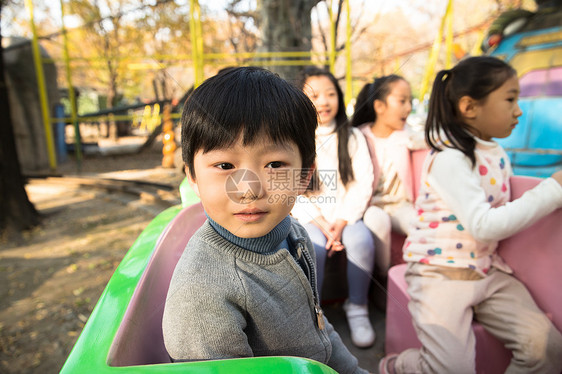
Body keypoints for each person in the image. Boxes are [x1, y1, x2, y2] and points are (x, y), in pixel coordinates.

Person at [162, 67, 368, 374]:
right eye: (224, 164)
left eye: (274, 164)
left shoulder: (295, 234)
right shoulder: (202, 295)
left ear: (304, 176)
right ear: (192, 176)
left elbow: (318, 329)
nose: (248, 189)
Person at [378, 56, 562, 374]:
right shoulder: (450, 158)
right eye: (510, 99)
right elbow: (483, 225)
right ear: (469, 106)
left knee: (547, 349)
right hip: (438, 274)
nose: (519, 110)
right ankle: (400, 365)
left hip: (487, 271)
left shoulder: (498, 154)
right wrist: (552, 190)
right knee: (452, 368)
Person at [292, 66, 376, 348]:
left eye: (330, 94)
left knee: (361, 239)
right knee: (312, 246)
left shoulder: (352, 136)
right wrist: (320, 223)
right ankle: (314, 316)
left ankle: (358, 307)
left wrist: (340, 223)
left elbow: (362, 183)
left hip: (346, 216)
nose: (324, 102)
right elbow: (291, 189)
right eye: (315, 95)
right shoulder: (294, 139)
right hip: (309, 219)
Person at [351, 75, 425, 276]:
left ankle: (416, 276)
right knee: (378, 220)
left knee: (419, 224)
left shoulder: (405, 135)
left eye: (409, 101)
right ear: (379, 106)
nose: (408, 107)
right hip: (371, 206)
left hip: (400, 206)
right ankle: (385, 276)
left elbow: (429, 139)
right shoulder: (360, 136)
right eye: (402, 101)